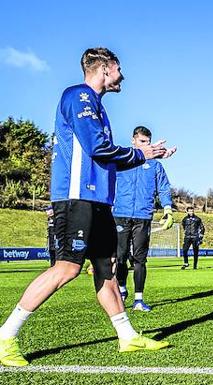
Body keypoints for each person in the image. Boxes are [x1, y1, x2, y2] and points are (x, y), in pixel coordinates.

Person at [0, 47, 175, 367]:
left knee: (107, 270)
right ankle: (5, 337)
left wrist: (146, 155)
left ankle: (127, 336)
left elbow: (106, 157)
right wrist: (143, 155)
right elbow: (97, 148)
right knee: (67, 268)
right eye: (119, 68)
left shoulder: (97, 106)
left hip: (98, 202)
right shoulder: (78, 97)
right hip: (75, 197)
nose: (122, 75)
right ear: (105, 69)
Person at [113, 126, 174, 311]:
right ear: (133, 140)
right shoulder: (122, 160)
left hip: (143, 215)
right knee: (121, 257)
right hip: (120, 214)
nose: (146, 145)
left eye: (148, 142)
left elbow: (163, 188)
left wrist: (168, 209)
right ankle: (122, 289)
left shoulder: (155, 165)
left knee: (140, 259)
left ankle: (139, 299)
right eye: (142, 142)